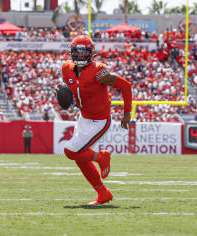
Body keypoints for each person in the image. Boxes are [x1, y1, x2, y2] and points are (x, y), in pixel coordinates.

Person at [54, 35, 132, 205]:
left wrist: (127, 114)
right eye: (77, 52)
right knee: (79, 157)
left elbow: (126, 86)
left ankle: (101, 157)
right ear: (72, 53)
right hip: (84, 118)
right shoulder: (66, 68)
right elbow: (74, 88)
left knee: (70, 151)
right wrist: (62, 92)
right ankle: (103, 193)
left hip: (99, 120)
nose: (81, 56)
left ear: (91, 54)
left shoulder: (99, 71)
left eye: (84, 52)